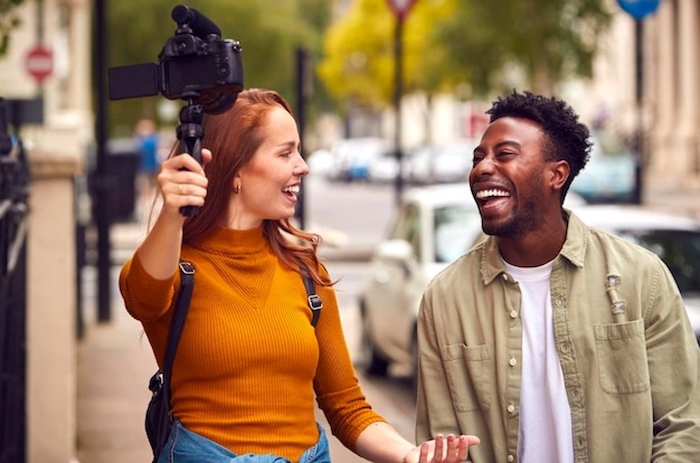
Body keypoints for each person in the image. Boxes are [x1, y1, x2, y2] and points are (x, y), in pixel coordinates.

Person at [119, 88, 479, 463]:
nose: (303, 166)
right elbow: (142, 297)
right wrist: (173, 213)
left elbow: (347, 407)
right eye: (286, 152)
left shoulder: (305, 270)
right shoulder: (177, 266)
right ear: (236, 167)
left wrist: (411, 456)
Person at [415, 90, 700, 462]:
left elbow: (685, 423)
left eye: (505, 154)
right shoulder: (445, 298)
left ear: (556, 174)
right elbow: (440, 442)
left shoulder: (640, 278)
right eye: (478, 157)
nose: (482, 168)